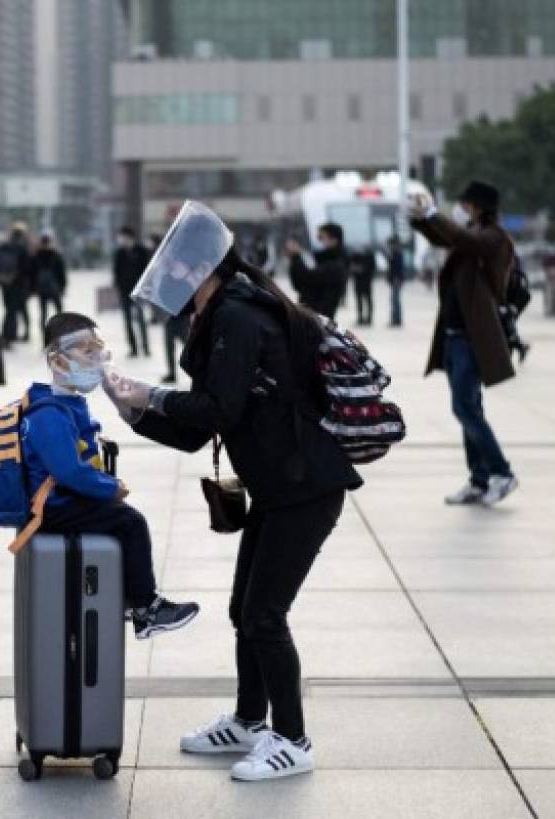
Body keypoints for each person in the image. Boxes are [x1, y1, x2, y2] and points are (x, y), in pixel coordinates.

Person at [103, 201, 362, 782]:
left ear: (199, 268)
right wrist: (135, 413)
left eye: (173, 267)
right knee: (243, 609)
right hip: (279, 484)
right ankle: (250, 721)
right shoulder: (221, 316)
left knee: (265, 614)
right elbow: (202, 432)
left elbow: (216, 407)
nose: (166, 278)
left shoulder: (238, 318)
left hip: (306, 487)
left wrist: (153, 394)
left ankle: (292, 741)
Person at [28, 312, 199, 638]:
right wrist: (110, 488)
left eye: (98, 349)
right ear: (58, 361)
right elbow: (69, 472)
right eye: (85, 351)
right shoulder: (49, 411)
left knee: (118, 522)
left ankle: (126, 596)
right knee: (129, 522)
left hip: (61, 502)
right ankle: (147, 609)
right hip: (53, 509)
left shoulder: (67, 402)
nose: (97, 359)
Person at [409, 181, 518, 505]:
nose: (461, 210)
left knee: (464, 408)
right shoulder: (471, 238)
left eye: (466, 205)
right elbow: (447, 237)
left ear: (479, 207)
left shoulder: (493, 238)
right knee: (470, 407)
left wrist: (433, 213)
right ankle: (479, 480)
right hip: (456, 337)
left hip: (473, 339)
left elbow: (462, 238)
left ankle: (503, 472)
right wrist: (421, 219)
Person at [286, 225, 348, 319]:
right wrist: (295, 259)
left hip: (319, 320)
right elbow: (300, 284)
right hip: (311, 317)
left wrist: (296, 257)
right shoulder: (323, 260)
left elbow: (308, 277)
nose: (319, 241)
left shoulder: (336, 265)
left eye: (321, 237)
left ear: (334, 240)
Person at [0, 222, 34, 346]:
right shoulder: (22, 248)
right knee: (16, 310)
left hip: (5, 283)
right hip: (19, 284)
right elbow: (28, 268)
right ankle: (11, 335)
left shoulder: (3, 246)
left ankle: (8, 334)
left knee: (9, 309)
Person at [112, 227, 150, 357]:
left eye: (124, 237)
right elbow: (116, 271)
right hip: (124, 291)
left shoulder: (141, 251)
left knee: (141, 320)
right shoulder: (120, 253)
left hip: (138, 292)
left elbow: (147, 270)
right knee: (127, 321)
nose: (122, 240)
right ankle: (133, 348)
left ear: (130, 237)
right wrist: (117, 286)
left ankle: (145, 347)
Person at [33, 231, 68, 337]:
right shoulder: (56, 255)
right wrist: (62, 288)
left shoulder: (36, 255)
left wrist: (34, 288)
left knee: (43, 313)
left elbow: (31, 273)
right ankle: (60, 333)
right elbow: (62, 273)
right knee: (59, 312)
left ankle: (44, 336)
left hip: (41, 289)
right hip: (54, 288)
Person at [349, 245, 376, 326]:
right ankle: (362, 318)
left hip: (365, 283)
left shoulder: (369, 257)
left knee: (366, 300)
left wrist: (359, 269)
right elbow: (352, 268)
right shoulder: (356, 257)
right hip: (361, 283)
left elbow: (369, 269)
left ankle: (368, 318)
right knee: (361, 301)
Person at [387, 234, 406, 327]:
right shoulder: (395, 253)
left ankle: (396, 320)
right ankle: (396, 319)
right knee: (394, 300)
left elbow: (397, 269)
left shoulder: (397, 254)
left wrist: (396, 279)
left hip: (396, 280)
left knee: (395, 300)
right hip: (395, 280)